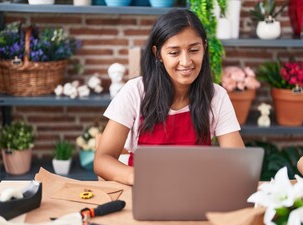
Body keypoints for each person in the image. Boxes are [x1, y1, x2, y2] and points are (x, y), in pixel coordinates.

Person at [94, 8, 245, 185]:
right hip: (143, 190)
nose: (186, 62)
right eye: (174, 53)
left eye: (194, 50)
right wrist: (137, 177)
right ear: (158, 54)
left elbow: (238, 165)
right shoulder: (135, 91)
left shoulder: (216, 96)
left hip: (196, 191)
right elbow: (102, 160)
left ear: (204, 47)